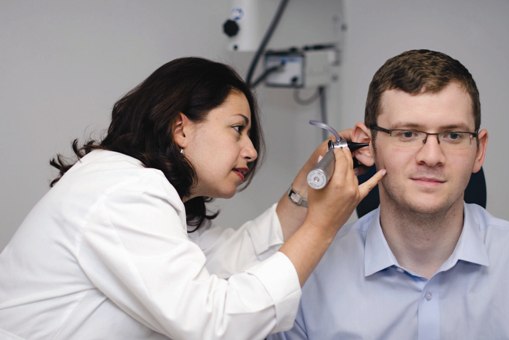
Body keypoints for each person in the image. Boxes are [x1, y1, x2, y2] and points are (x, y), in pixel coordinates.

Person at [0, 57, 384, 340]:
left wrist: (306, 188)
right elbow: (214, 323)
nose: (251, 152)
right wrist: (322, 226)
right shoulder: (126, 194)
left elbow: (226, 262)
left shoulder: (131, 190)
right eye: (238, 129)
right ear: (180, 128)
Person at [269, 49, 509, 340]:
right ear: (367, 145)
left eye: (453, 135)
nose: (432, 157)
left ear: (479, 150)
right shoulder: (308, 277)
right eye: (407, 134)